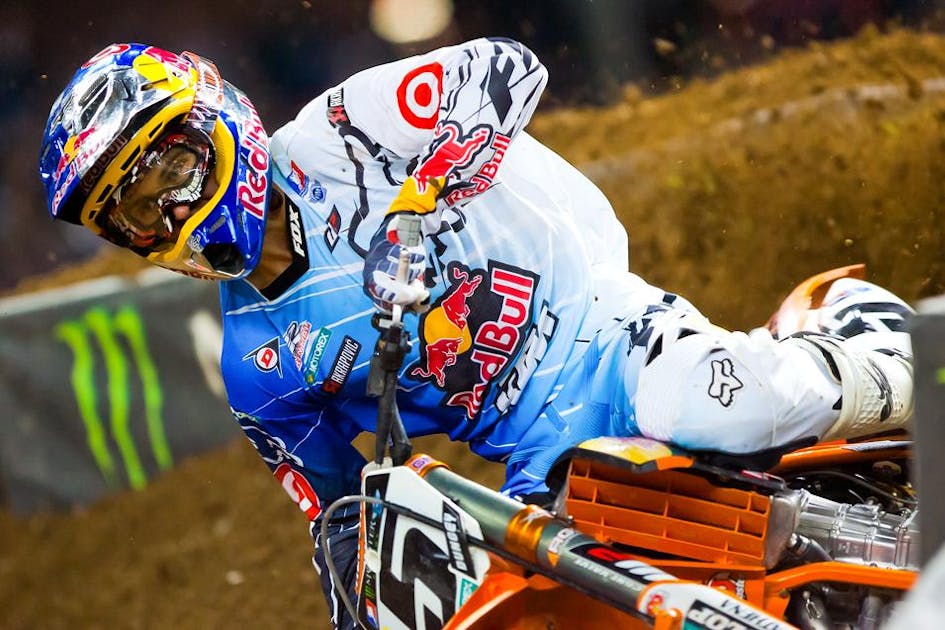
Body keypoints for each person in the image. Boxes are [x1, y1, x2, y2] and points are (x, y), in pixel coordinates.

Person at [39, 40, 914, 628]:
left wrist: (418, 201)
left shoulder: (342, 131)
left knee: (722, 406)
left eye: (172, 170)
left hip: (609, 333)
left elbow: (506, 68)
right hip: (544, 466)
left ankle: (868, 338)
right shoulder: (256, 368)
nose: (171, 213)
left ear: (217, 121)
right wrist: (357, 575)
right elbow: (342, 520)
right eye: (138, 212)